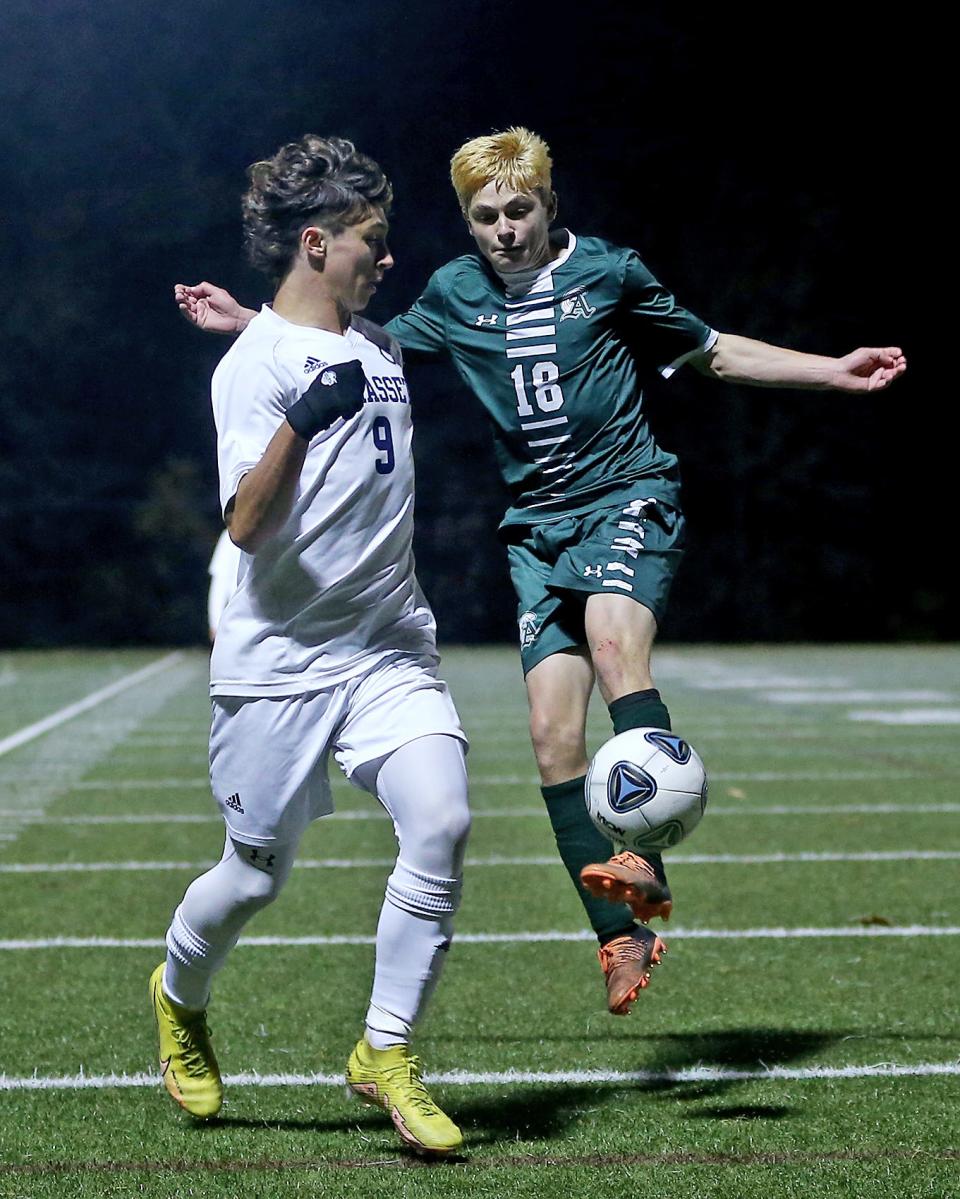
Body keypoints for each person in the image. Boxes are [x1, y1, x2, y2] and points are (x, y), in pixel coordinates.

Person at [176, 127, 907, 1019]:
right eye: (484, 217)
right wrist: (253, 324)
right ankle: (622, 929)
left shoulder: (609, 272)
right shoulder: (454, 293)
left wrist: (833, 370)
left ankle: (645, 855)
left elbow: (711, 348)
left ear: (549, 206)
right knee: (553, 736)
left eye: (518, 210)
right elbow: (350, 350)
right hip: (537, 531)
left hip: (628, 496)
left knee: (610, 639)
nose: (503, 230)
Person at [153, 134, 470, 1156]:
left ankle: (386, 1048)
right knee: (253, 878)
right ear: (316, 240)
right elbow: (243, 523)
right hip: (280, 662)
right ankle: (179, 991)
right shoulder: (251, 371)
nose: (389, 257)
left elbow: (324, 342)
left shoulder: (374, 340)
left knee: (444, 817)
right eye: (373, 241)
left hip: (384, 645)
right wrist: (296, 417)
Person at [206, 528, 242, 641]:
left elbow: (219, 582)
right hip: (238, 619)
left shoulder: (230, 535)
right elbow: (220, 584)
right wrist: (215, 622)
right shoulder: (229, 536)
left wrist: (215, 623)